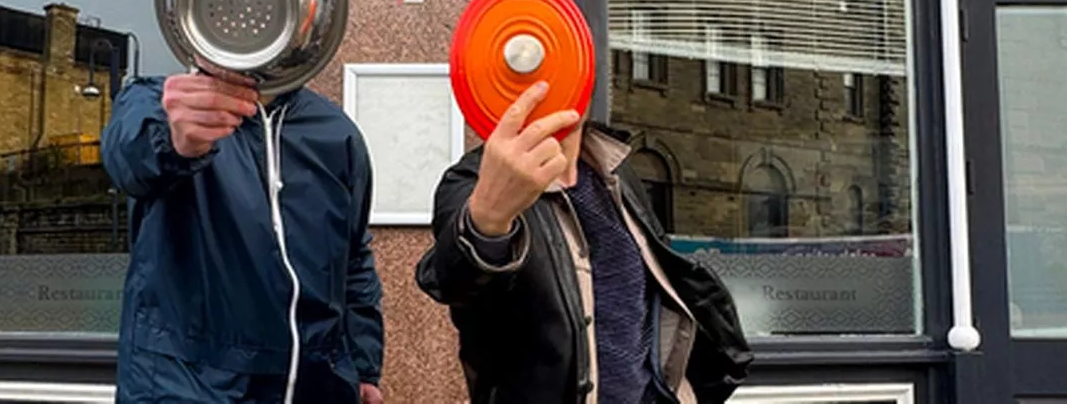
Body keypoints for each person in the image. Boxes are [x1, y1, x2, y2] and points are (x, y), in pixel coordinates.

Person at [416, 81, 753, 403]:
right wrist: (487, 221)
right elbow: (455, 281)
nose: (550, 88)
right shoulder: (474, 182)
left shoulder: (614, 169)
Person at [101, 61, 385, 404]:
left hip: (316, 381)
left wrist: (364, 365)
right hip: (183, 382)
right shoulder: (157, 102)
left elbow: (353, 257)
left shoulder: (335, 132)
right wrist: (174, 137)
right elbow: (128, 160)